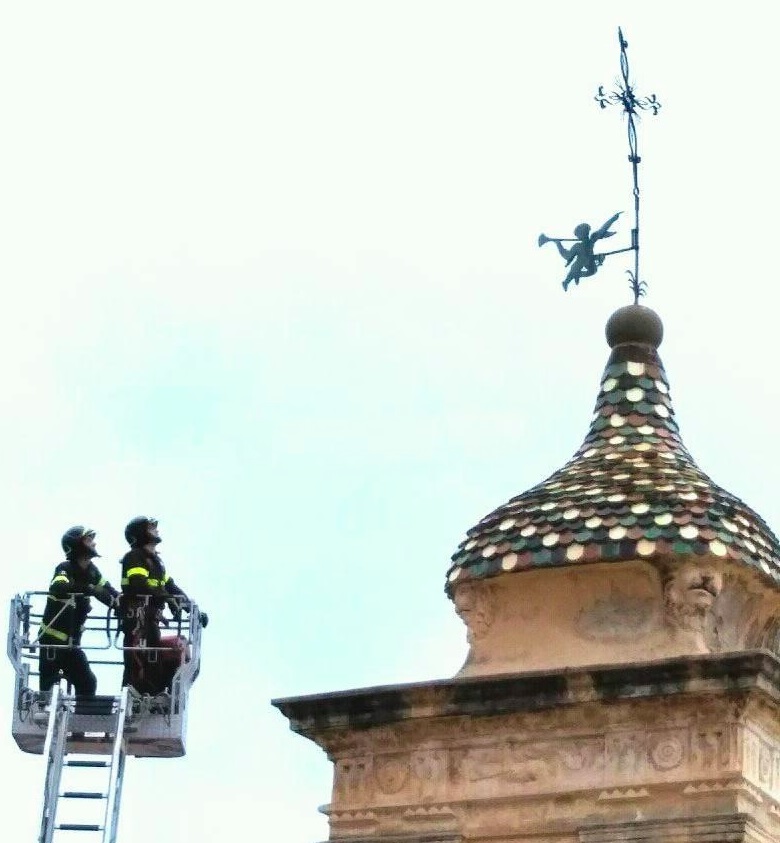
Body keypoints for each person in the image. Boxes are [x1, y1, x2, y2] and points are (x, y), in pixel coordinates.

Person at [119, 516, 208, 696]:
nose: (156, 530)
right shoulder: (135, 557)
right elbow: (138, 583)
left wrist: (191, 609)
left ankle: (154, 693)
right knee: (138, 661)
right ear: (140, 534)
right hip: (137, 622)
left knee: (153, 659)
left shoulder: (156, 562)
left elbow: (171, 587)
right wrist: (166, 598)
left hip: (150, 621)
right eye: (151, 528)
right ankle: (133, 696)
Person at [38, 526, 119, 698]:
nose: (94, 543)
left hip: (71, 645)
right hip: (52, 643)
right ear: (77, 545)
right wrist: (88, 589)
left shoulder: (92, 571)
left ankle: (83, 716)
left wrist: (121, 603)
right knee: (49, 686)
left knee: (87, 682)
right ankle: (43, 710)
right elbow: (58, 586)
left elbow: (106, 589)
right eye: (89, 540)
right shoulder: (65, 568)